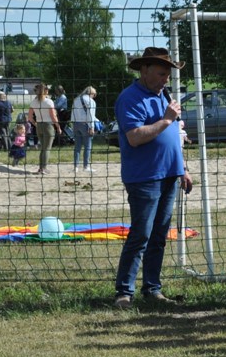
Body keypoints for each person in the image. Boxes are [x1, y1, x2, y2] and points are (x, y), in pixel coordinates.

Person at [113, 48, 192, 309]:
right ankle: (124, 293)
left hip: (169, 175)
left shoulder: (163, 96)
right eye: (161, 74)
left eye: (168, 75)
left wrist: (183, 168)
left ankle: (152, 288)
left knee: (159, 236)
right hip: (144, 178)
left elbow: (173, 139)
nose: (165, 79)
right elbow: (135, 137)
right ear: (144, 70)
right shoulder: (130, 98)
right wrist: (166, 119)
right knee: (141, 236)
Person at [27, 83, 61, 175]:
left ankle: (41, 168)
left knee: (43, 148)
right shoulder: (49, 102)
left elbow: (29, 117)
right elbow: (53, 116)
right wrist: (58, 127)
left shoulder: (34, 102)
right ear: (45, 91)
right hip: (48, 126)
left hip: (39, 126)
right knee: (47, 149)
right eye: (47, 89)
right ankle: (44, 169)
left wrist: (35, 124)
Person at [70, 86, 98, 172]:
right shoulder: (90, 101)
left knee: (77, 147)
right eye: (94, 94)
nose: (94, 96)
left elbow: (73, 113)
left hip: (76, 124)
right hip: (85, 124)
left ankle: (76, 167)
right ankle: (86, 166)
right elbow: (91, 115)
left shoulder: (76, 99)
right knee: (87, 146)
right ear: (92, 93)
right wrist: (91, 127)